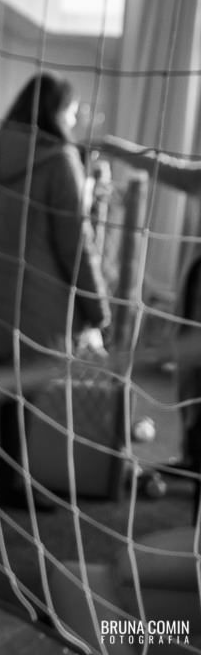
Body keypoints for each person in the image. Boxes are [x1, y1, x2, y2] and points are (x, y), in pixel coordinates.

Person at [0, 72, 111, 511]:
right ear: (56, 112)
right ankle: (8, 483)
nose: (74, 122)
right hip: (32, 305)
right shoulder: (61, 160)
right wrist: (98, 311)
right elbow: (76, 245)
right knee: (21, 394)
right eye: (72, 113)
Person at [95, 133, 201, 471]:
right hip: (196, 291)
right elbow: (164, 166)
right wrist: (114, 147)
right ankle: (192, 454)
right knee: (189, 372)